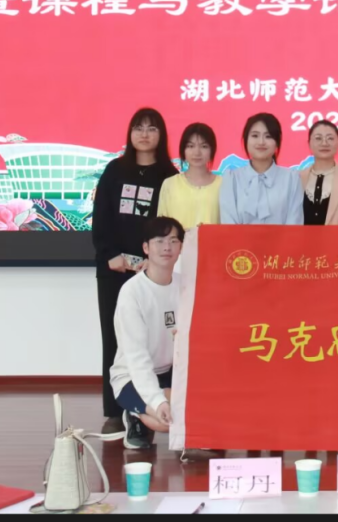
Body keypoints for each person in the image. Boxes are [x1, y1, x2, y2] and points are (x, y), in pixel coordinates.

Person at [92, 108, 178, 435]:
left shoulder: (169, 175)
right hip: (114, 270)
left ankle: (150, 402)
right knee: (115, 340)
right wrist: (110, 255)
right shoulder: (115, 170)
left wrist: (153, 260)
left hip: (153, 271)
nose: (144, 134)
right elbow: (101, 217)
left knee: (156, 339)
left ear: (161, 135)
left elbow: (168, 225)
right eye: (138, 128)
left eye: (151, 128)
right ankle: (116, 409)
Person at [109, 217, 184, 450]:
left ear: (181, 247)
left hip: (169, 372)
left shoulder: (185, 286)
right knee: (165, 421)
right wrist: (158, 401)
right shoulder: (132, 292)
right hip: (131, 375)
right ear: (145, 248)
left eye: (174, 241)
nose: (167, 247)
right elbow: (137, 358)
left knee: (185, 413)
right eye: (159, 241)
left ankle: (148, 409)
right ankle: (134, 414)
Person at [219, 113, 303, 225]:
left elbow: (294, 222)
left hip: (284, 237)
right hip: (238, 237)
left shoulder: (291, 178)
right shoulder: (232, 178)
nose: (261, 142)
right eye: (255, 136)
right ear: (246, 140)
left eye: (268, 136)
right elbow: (228, 223)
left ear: (277, 143)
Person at [158, 122, 222, 231]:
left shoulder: (224, 185)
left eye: (204, 146)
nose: (197, 152)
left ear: (212, 150)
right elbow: (161, 226)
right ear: (183, 150)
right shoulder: (170, 184)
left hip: (214, 242)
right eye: (190, 146)